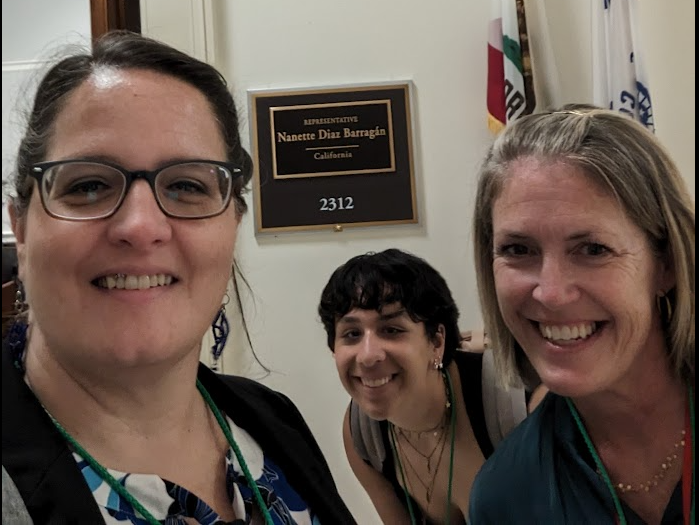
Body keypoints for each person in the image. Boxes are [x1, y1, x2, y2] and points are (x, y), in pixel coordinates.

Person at [1, 30, 355, 525]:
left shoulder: (272, 420)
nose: (141, 227)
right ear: (21, 225)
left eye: (187, 184)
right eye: (88, 185)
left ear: (234, 221)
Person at [468, 105, 695, 524]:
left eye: (593, 249)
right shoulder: (508, 497)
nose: (551, 294)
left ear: (665, 265)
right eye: (518, 250)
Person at [318, 248, 529, 524]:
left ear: (437, 342)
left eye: (391, 330)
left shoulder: (515, 404)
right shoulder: (362, 433)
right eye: (351, 334)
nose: (368, 355)